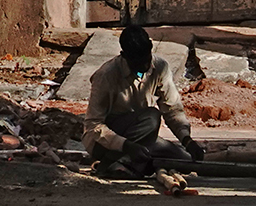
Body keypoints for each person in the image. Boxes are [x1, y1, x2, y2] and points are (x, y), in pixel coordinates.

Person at [85, 26, 205, 178]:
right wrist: (126, 145)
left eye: (146, 60)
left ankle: (128, 164)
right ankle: (111, 163)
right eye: (137, 63)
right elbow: (93, 125)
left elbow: (172, 109)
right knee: (152, 117)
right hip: (106, 142)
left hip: (143, 137)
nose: (144, 66)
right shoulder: (106, 76)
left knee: (185, 161)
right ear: (124, 56)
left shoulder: (159, 67)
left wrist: (187, 140)